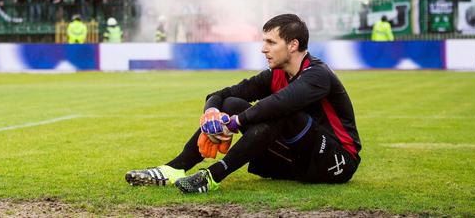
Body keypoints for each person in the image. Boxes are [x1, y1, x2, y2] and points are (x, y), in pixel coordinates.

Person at [125, 14, 361, 193]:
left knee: (279, 110)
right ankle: (174, 168)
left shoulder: (317, 75)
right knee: (232, 102)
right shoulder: (275, 74)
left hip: (335, 161)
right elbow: (221, 94)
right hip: (297, 162)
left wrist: (233, 124)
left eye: (271, 42)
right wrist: (212, 115)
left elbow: (281, 103)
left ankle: (212, 176)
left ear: (293, 45)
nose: (263, 49)